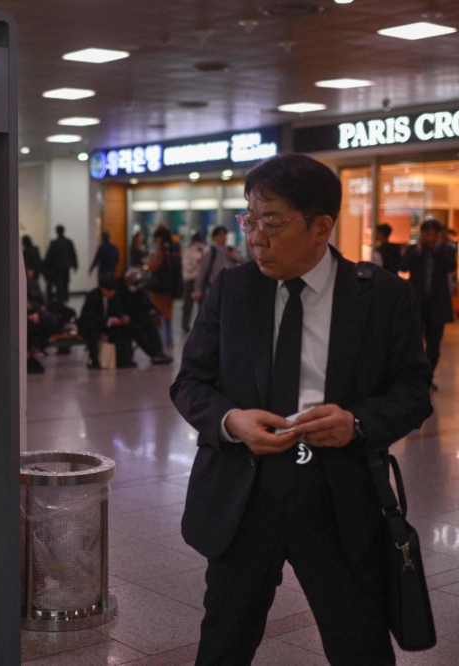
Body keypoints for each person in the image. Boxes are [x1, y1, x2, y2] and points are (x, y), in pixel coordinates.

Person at [171, 153, 432, 666]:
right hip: (246, 494)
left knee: (358, 641)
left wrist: (357, 423)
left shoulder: (381, 296)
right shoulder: (233, 289)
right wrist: (231, 421)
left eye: (273, 221)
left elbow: (413, 391)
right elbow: (191, 382)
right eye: (250, 219)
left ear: (321, 227)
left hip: (337, 496)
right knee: (224, 638)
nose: (257, 237)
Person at [401, 218, 457, 388]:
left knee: (434, 344)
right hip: (417, 302)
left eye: (434, 234)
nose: (431, 238)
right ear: (422, 234)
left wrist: (438, 248)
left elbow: (450, 267)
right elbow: (403, 266)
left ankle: (427, 377)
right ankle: (413, 378)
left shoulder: (446, 250)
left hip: (437, 304)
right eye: (427, 234)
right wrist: (418, 250)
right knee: (413, 342)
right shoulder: (414, 250)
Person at [118, 268, 173, 365]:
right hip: (126, 318)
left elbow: (147, 303)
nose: (137, 284)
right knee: (136, 330)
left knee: (150, 325)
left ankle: (158, 352)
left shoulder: (139, 290)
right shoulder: (119, 290)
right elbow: (118, 307)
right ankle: (153, 353)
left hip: (139, 315)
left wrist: (156, 312)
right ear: (127, 281)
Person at [78, 273, 134, 369]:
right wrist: (108, 320)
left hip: (109, 324)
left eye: (113, 290)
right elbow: (89, 316)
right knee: (93, 332)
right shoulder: (93, 295)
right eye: (108, 290)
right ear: (102, 288)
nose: (111, 293)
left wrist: (123, 317)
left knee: (127, 329)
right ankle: (94, 359)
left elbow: (120, 310)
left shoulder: (116, 295)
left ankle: (124, 358)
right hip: (93, 324)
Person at [146, 226, 182, 349]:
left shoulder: (161, 252)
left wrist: (147, 264)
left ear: (160, 238)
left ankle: (161, 341)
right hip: (171, 288)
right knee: (168, 315)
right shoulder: (174, 249)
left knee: (159, 315)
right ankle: (169, 340)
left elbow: (153, 267)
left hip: (159, 289)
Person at [26, 265, 61, 374]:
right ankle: (32, 352)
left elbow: (39, 302)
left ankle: (34, 351)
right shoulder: (28, 284)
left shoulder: (32, 284)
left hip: (34, 314)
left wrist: (35, 311)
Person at [193, 225, 240, 304]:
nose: (223, 237)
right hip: (215, 287)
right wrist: (198, 290)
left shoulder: (231, 250)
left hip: (230, 287)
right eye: (220, 235)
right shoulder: (211, 252)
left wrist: (236, 257)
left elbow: (246, 262)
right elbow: (202, 271)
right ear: (214, 238)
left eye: (224, 234)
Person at [44, 225, 78, 304]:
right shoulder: (68, 242)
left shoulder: (54, 243)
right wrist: (75, 265)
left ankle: (61, 299)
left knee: (60, 284)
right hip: (65, 267)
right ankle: (64, 298)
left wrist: (46, 267)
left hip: (57, 268)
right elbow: (73, 254)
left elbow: (49, 256)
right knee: (65, 283)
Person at [181, 232, 207, 332]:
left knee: (203, 304)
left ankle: (203, 324)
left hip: (202, 281)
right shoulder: (188, 252)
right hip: (191, 280)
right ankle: (185, 324)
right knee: (188, 304)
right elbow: (187, 266)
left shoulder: (205, 251)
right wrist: (197, 263)